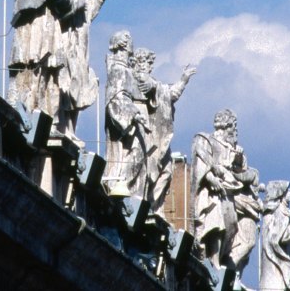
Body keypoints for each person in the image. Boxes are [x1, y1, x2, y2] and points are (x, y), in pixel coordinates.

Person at [191, 109, 262, 278]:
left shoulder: (236, 149)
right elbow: (200, 165)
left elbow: (243, 173)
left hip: (230, 193)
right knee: (217, 224)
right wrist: (211, 179)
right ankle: (214, 259)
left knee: (231, 226)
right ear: (225, 125)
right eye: (233, 126)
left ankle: (225, 262)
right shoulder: (206, 140)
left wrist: (240, 167)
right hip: (213, 193)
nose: (235, 130)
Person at [54, 0, 111, 141]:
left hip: (79, 45)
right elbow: (62, 11)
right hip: (67, 42)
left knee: (79, 83)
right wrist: (78, 2)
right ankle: (63, 127)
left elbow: (87, 15)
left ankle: (70, 128)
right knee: (67, 83)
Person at [7, 0, 67, 114]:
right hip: (33, 26)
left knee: (44, 70)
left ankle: (38, 109)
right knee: (31, 65)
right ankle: (25, 108)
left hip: (45, 24)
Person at [131, 48, 195, 212]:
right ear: (138, 63)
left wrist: (183, 80)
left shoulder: (152, 82)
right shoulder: (136, 78)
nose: (150, 67)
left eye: (150, 63)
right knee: (150, 169)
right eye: (147, 62)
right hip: (146, 132)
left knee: (166, 170)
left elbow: (169, 94)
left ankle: (152, 204)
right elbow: (164, 92)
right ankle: (148, 203)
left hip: (155, 133)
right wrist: (180, 82)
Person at [104, 30, 147, 194]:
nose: (132, 44)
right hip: (125, 123)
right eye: (130, 40)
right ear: (123, 44)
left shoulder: (125, 69)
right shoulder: (117, 70)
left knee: (139, 153)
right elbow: (115, 99)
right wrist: (133, 114)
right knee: (134, 152)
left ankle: (125, 186)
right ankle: (120, 183)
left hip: (132, 120)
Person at [260, 180, 290, 291]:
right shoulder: (278, 212)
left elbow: (283, 248)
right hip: (275, 273)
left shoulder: (283, 212)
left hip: (279, 272)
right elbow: (275, 239)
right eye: (289, 191)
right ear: (281, 194)